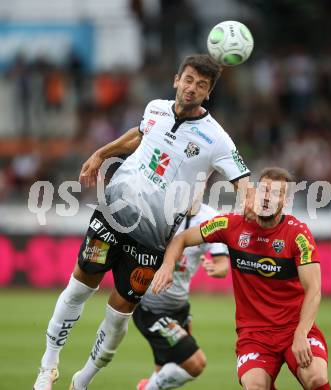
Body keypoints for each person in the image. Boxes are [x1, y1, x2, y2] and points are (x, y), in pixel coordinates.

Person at [33, 54, 252, 390]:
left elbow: (243, 183)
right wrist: (101, 153)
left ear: (208, 93)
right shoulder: (156, 109)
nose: (193, 88)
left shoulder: (218, 139)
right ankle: (48, 367)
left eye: (202, 85)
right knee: (78, 287)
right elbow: (139, 134)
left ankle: (83, 381)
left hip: (152, 240)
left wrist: (252, 209)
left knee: (118, 318)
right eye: (189, 80)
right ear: (176, 79)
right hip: (112, 215)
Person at [152, 167, 330, 390]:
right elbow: (182, 238)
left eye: (275, 193)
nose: (267, 197)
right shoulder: (232, 225)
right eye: (264, 190)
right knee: (254, 386)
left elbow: (314, 289)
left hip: (295, 327)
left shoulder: (298, 235)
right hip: (254, 334)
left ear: (285, 201)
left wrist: (301, 334)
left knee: (316, 378)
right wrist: (167, 266)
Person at [134, 203, 229, 390]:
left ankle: (149, 386)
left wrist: (215, 268)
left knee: (166, 371)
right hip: (149, 308)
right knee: (196, 362)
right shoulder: (160, 208)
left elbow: (222, 266)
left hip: (179, 307)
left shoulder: (211, 219)